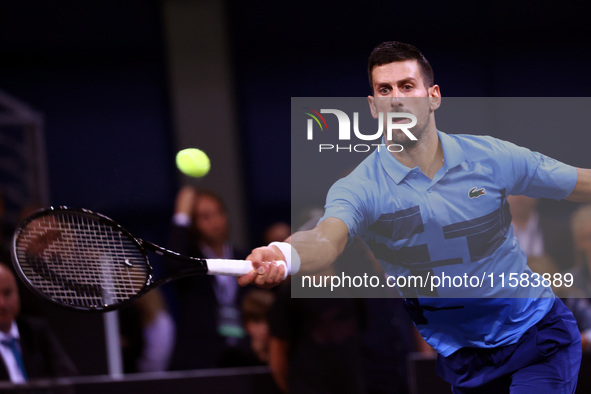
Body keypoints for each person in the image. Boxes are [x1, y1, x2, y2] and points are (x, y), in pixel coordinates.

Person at [238, 41, 591, 393]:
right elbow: (325, 239)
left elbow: (577, 182)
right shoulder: (360, 188)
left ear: (433, 96)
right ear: (373, 106)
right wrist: (284, 254)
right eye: (384, 89)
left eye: (407, 86)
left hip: (537, 336)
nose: (396, 98)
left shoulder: (492, 157)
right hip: (466, 361)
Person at [168, 186, 252, 369]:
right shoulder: (188, 263)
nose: (214, 222)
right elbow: (173, 264)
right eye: (205, 216)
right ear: (194, 224)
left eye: (218, 213)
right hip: (199, 361)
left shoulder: (246, 258)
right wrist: (181, 216)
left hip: (244, 357)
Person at [0, 263, 77, 383]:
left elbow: (68, 378)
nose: (2, 304)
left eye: (7, 293)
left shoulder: (35, 331)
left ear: (17, 292)